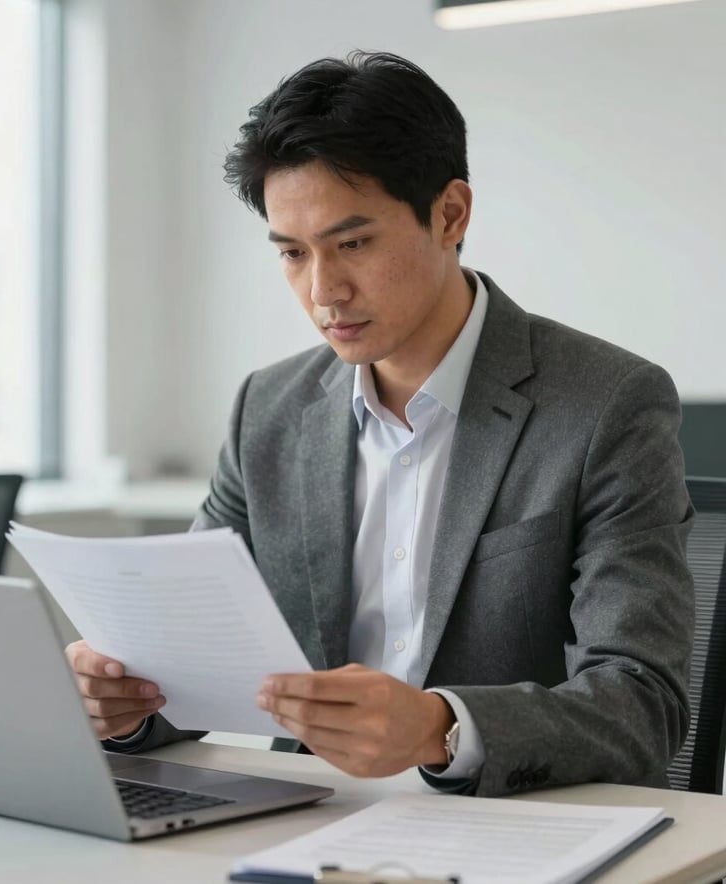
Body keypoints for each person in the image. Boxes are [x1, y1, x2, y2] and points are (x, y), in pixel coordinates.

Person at [66, 51, 694, 797]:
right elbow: (192, 664)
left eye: (353, 243)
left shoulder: (607, 404)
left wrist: (441, 727)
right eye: (293, 254)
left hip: (508, 827)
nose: (324, 290)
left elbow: (643, 703)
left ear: (451, 214)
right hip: (308, 819)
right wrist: (127, 704)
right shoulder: (267, 410)